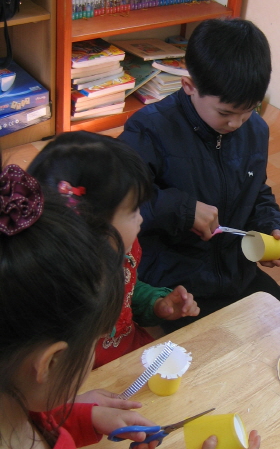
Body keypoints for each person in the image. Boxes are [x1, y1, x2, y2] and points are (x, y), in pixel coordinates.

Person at [0, 162, 260, 449]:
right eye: (93, 343)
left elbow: (23, 413)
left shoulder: (15, 403)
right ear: (52, 362)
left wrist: (82, 417)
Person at [119, 18, 280, 331]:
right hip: (174, 282)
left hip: (235, 273)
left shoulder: (255, 131)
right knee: (213, 352)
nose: (236, 123)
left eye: (249, 109)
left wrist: (272, 226)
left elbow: (256, 191)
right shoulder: (149, 129)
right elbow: (118, 202)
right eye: (225, 112)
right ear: (189, 86)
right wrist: (182, 210)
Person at [28, 132, 200, 370]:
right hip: (83, 376)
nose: (141, 219)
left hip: (129, 351)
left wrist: (156, 303)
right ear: (94, 225)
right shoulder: (53, 287)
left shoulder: (125, 248)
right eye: (133, 212)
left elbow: (128, 290)